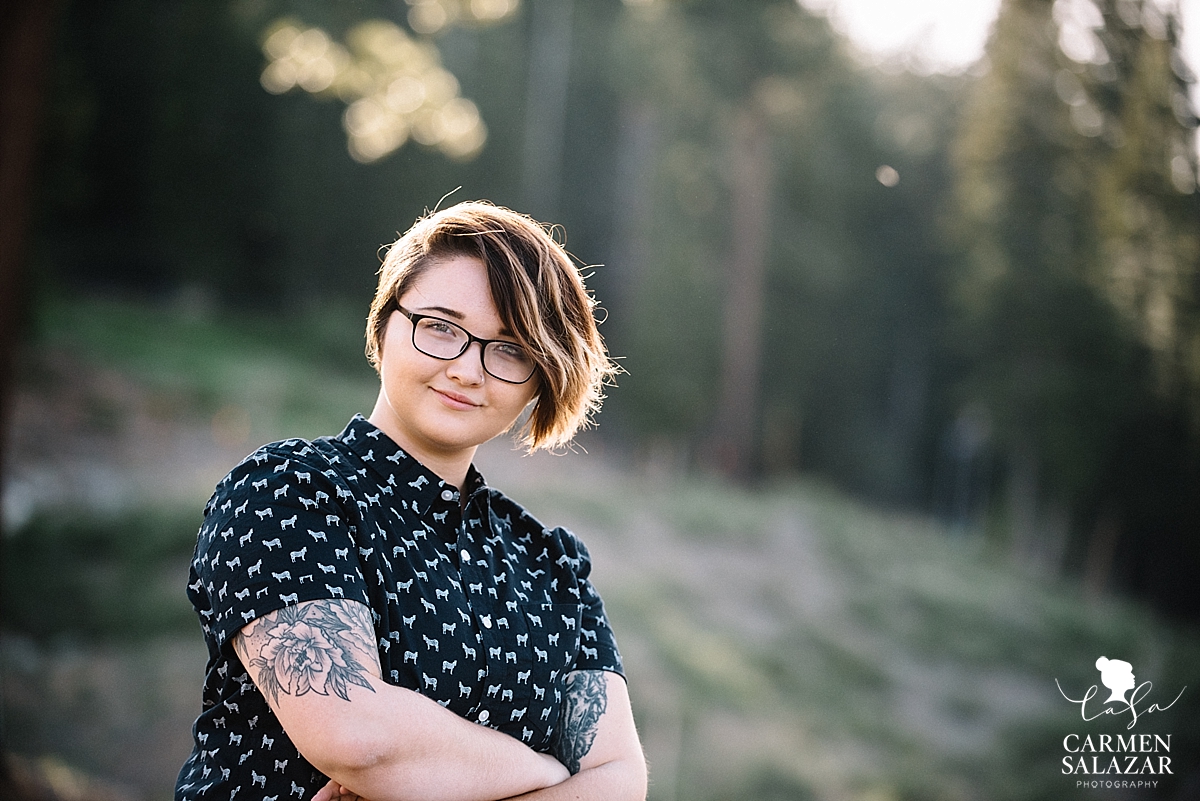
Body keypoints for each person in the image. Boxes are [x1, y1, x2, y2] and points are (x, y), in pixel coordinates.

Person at [175, 201, 646, 801]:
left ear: (541, 376)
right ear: (385, 324)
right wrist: (547, 774)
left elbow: (617, 783)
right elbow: (355, 737)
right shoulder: (285, 494)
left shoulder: (552, 569)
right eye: (442, 327)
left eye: (510, 348)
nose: (469, 370)